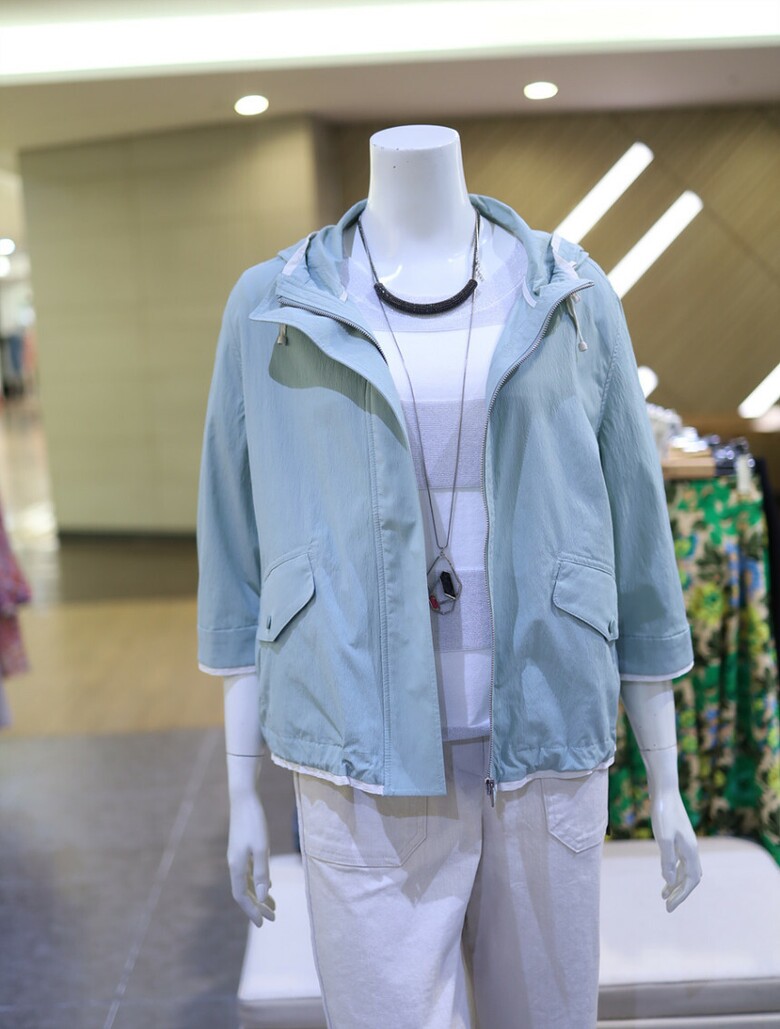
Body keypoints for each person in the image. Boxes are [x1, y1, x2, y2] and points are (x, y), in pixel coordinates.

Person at [197, 124, 702, 1028]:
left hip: (544, 748)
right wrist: (240, 792)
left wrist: (666, 782)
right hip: (360, 760)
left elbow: (636, 534)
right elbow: (235, 550)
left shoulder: (571, 292)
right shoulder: (271, 307)